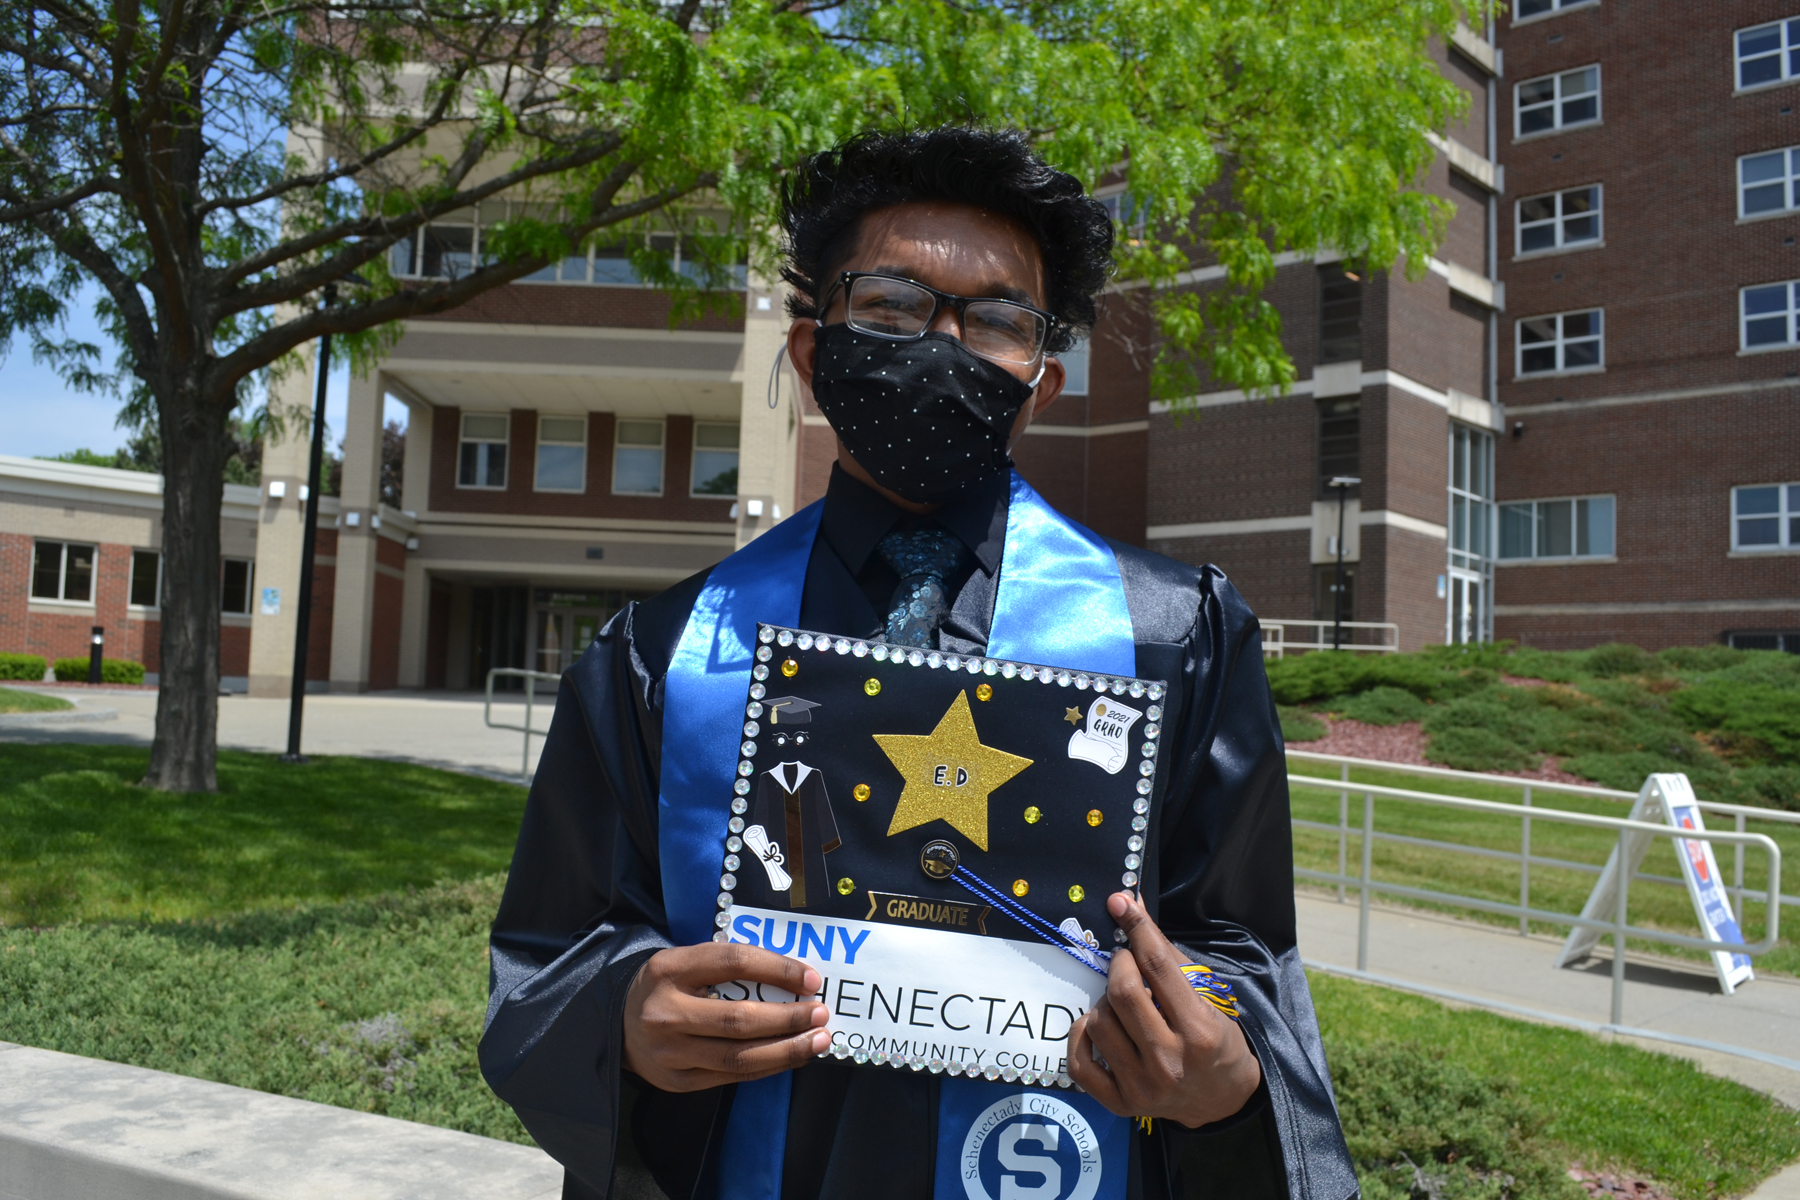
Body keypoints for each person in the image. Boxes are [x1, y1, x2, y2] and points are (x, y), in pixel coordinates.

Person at [479, 126, 1355, 1200]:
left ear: (1041, 382)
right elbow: (551, 950)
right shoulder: (670, 654)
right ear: (812, 355)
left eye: (996, 320)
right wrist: (623, 1014)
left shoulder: (1169, 638)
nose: (942, 344)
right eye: (891, 307)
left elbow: (1241, 950)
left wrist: (1222, 1065)